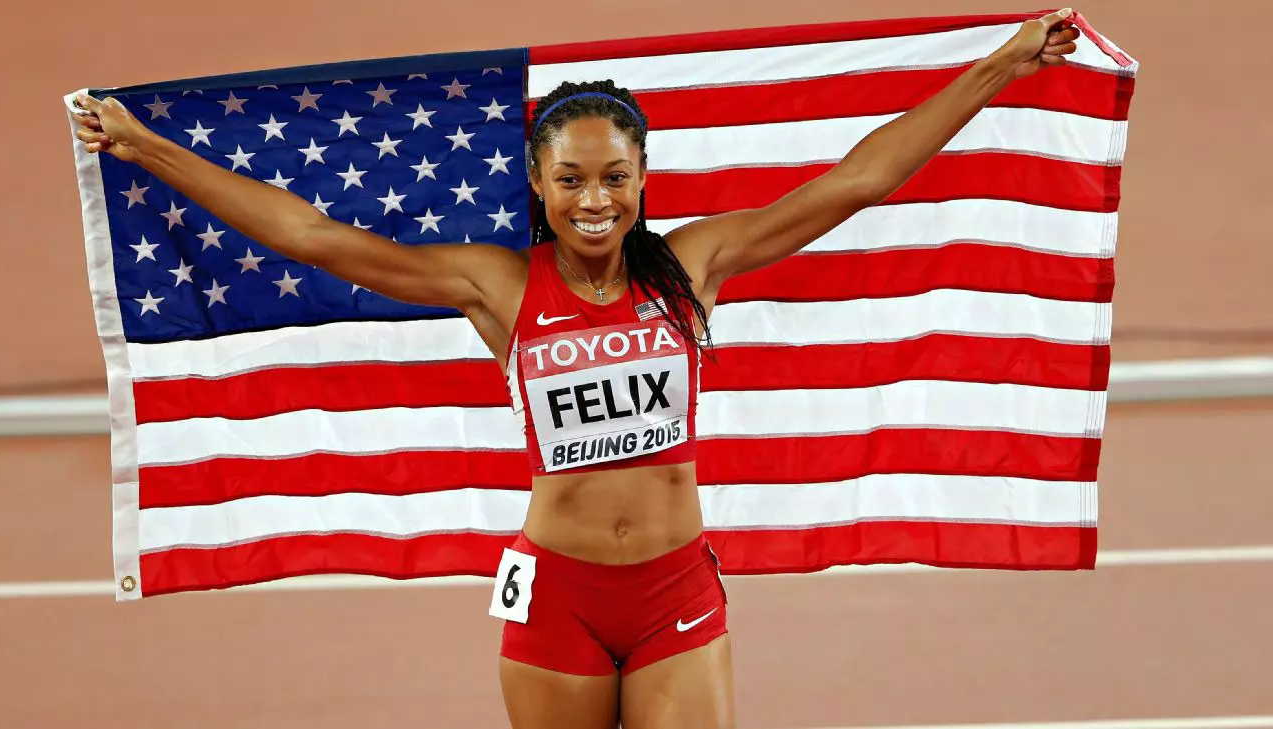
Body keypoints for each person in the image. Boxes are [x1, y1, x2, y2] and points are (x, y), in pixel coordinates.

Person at [72, 10, 1081, 728]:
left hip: (676, 588)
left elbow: (859, 180)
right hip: (557, 595)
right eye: (571, 179)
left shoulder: (693, 264)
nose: (594, 200)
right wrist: (147, 148)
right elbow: (314, 237)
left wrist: (1001, 65)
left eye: (614, 177)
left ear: (642, 179)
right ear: (537, 182)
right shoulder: (501, 285)